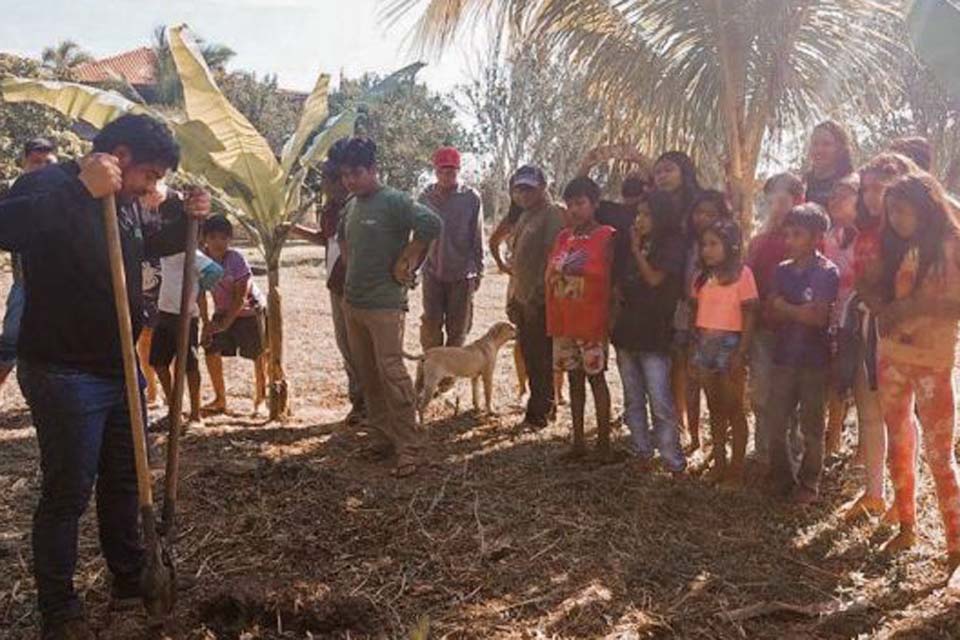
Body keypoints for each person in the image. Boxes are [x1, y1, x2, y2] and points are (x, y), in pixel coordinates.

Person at [0, 114, 208, 639]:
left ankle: (130, 579)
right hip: (65, 371)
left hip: (119, 368)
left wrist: (188, 218)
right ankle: (60, 607)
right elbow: (8, 227)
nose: (151, 187)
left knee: (126, 478)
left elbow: (148, 246)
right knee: (68, 490)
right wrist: (78, 192)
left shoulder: (129, 202)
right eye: (150, 174)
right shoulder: (51, 183)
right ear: (120, 154)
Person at [337, 137, 442, 477]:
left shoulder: (394, 201)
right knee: (368, 375)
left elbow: (431, 224)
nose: (350, 180)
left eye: (357, 173)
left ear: (373, 170)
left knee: (391, 373)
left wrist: (409, 257)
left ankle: (409, 446)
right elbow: (344, 242)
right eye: (345, 175)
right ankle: (382, 437)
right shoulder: (351, 206)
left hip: (385, 305)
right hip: (354, 303)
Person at [873, 173, 960, 579]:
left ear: (926, 210)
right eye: (891, 211)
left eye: (903, 210)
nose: (895, 218)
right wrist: (881, 306)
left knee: (940, 456)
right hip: (892, 357)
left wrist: (909, 309)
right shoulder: (893, 244)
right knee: (899, 443)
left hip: (932, 361)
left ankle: (955, 545)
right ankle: (906, 524)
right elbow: (868, 283)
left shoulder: (951, 245)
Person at [846, 153, 920, 522]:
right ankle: (874, 492)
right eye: (866, 189)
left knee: (901, 415)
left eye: (880, 189)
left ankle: (904, 501)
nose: (872, 197)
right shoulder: (863, 234)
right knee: (870, 410)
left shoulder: (911, 237)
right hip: (867, 326)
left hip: (900, 333)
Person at [767, 203, 839, 504]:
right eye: (788, 234)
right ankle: (781, 477)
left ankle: (809, 482)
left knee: (811, 425)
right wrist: (796, 311)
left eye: (798, 235)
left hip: (814, 362)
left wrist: (787, 308)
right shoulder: (781, 270)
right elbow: (772, 307)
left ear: (816, 237)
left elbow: (818, 318)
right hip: (783, 357)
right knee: (776, 421)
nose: (790, 241)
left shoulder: (826, 272)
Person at [285, 155, 365, 424]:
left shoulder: (359, 206)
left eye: (327, 181)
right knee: (346, 345)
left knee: (360, 346)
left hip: (359, 284)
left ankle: (370, 402)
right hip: (336, 282)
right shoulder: (330, 209)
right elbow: (326, 240)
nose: (326, 187)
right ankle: (359, 401)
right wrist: (293, 230)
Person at [612, 191, 687, 473]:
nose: (639, 220)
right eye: (638, 214)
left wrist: (634, 250)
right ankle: (641, 449)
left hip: (655, 334)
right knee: (633, 398)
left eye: (646, 215)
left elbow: (654, 279)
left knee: (660, 400)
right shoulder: (633, 242)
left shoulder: (671, 245)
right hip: (627, 330)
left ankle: (672, 459)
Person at [545, 177, 616, 460]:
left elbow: (611, 280)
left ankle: (603, 444)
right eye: (570, 204)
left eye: (580, 203)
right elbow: (551, 273)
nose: (574, 209)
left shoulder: (607, 236)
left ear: (594, 204)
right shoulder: (563, 237)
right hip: (563, 321)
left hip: (591, 323)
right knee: (573, 380)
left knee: (596, 379)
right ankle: (577, 442)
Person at [149, 185, 224, 427]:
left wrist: (197, 290)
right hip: (164, 313)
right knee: (159, 362)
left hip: (186, 316)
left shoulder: (191, 253)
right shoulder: (163, 251)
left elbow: (215, 271)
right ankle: (174, 408)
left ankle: (195, 413)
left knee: (189, 366)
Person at [691, 219, 757, 485]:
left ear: (730, 246)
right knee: (714, 407)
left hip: (731, 345)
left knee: (734, 408)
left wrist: (741, 352)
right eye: (704, 244)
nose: (707, 250)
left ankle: (736, 469)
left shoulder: (743, 274)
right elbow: (696, 313)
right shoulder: (703, 278)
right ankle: (718, 463)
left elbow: (750, 313)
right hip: (705, 342)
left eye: (714, 244)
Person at [747, 172, 805, 470]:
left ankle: (790, 451)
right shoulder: (759, 241)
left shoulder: (806, 241)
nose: (776, 206)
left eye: (783, 200)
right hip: (763, 329)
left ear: (798, 200)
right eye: (771, 200)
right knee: (761, 390)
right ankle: (764, 451)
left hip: (796, 330)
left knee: (791, 392)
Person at [505, 165, 566, 430]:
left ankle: (540, 412)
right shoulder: (525, 215)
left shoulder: (552, 214)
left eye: (529, 188)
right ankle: (541, 406)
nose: (524, 193)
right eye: (519, 188)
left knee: (541, 357)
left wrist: (539, 297)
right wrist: (515, 297)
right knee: (531, 356)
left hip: (540, 300)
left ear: (543, 187)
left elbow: (553, 257)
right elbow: (519, 261)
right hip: (523, 297)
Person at [651, 151, 704, 447]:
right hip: (661, 292)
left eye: (668, 170)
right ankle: (673, 418)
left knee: (686, 360)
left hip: (691, 292)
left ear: (685, 171)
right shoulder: (654, 207)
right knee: (669, 356)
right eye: (657, 172)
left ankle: (688, 424)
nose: (662, 176)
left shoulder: (697, 206)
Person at [0, 137, 58, 390]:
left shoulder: (66, 192)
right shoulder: (12, 191)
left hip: (63, 284)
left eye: (49, 162)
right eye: (36, 162)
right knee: (11, 341)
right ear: (24, 163)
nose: (43, 167)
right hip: (25, 282)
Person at [681, 189, 733, 451]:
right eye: (698, 212)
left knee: (719, 388)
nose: (702, 218)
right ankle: (693, 436)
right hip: (692, 319)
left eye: (710, 213)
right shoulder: (689, 245)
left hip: (723, 331)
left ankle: (720, 441)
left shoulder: (732, 258)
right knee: (690, 379)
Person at [200, 215, 268, 416]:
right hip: (222, 312)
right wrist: (206, 324)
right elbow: (199, 295)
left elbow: (241, 297)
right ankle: (220, 399)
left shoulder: (236, 258)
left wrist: (224, 325)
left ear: (230, 239)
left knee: (258, 355)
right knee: (210, 349)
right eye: (212, 237)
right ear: (205, 239)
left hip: (248, 311)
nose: (218, 242)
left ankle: (260, 400)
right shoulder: (201, 260)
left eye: (223, 238)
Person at [419, 146, 484, 355]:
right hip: (432, 272)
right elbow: (419, 235)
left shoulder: (471, 198)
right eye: (442, 171)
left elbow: (477, 235)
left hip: (462, 273)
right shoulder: (425, 198)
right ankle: (431, 368)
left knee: (458, 328)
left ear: (458, 171)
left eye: (452, 172)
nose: (447, 176)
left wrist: (479, 270)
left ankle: (448, 376)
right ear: (435, 171)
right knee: (430, 324)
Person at [823, 174, 860, 457]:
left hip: (859, 321)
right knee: (835, 379)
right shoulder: (827, 238)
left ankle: (863, 452)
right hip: (830, 320)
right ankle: (832, 440)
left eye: (843, 195)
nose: (834, 200)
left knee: (860, 382)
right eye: (832, 195)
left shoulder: (867, 240)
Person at [805, 120, 856, 207]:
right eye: (815, 144)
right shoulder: (802, 184)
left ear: (840, 149)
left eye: (826, 144)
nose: (819, 150)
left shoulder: (850, 184)